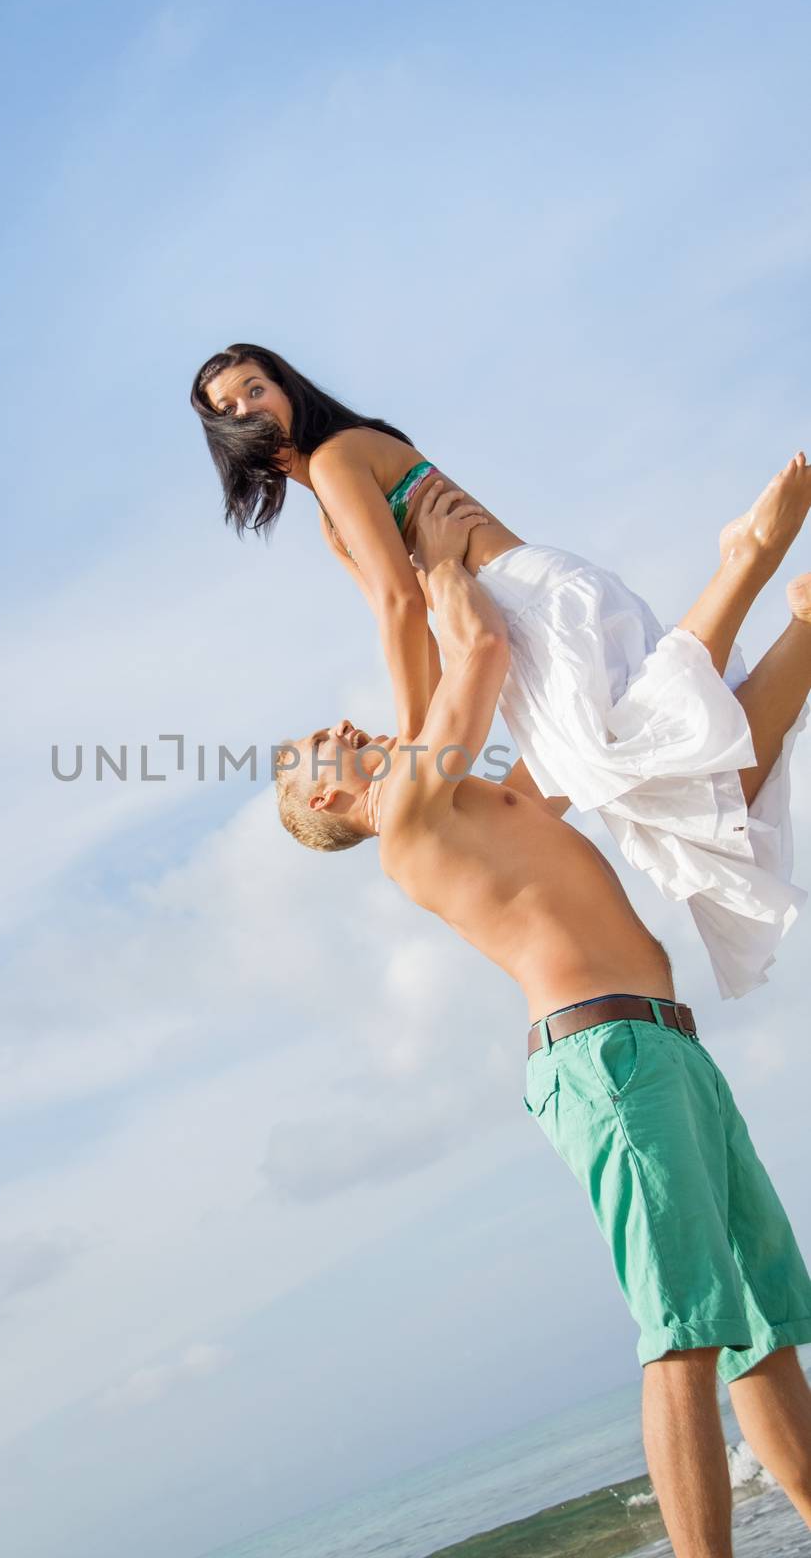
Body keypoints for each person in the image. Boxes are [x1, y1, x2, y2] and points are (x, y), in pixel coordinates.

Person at [272, 481, 811, 1558]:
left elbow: (617, 735)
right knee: (683, 1335)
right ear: (329, 803)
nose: (336, 727)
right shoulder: (410, 825)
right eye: (314, 751)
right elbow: (469, 659)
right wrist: (428, 555)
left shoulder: (494, 800)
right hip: (606, 1061)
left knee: (762, 1330)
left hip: (665, 1049)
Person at [191, 342, 811, 997]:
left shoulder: (337, 459)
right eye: (228, 406)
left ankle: (744, 560)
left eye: (255, 389)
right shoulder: (329, 505)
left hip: (522, 600)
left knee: (642, 744)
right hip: (519, 602)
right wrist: (423, 729)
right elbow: (411, 620)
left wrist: (413, 740)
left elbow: (403, 607)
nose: (247, 409)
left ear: (285, 388)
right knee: (680, 775)